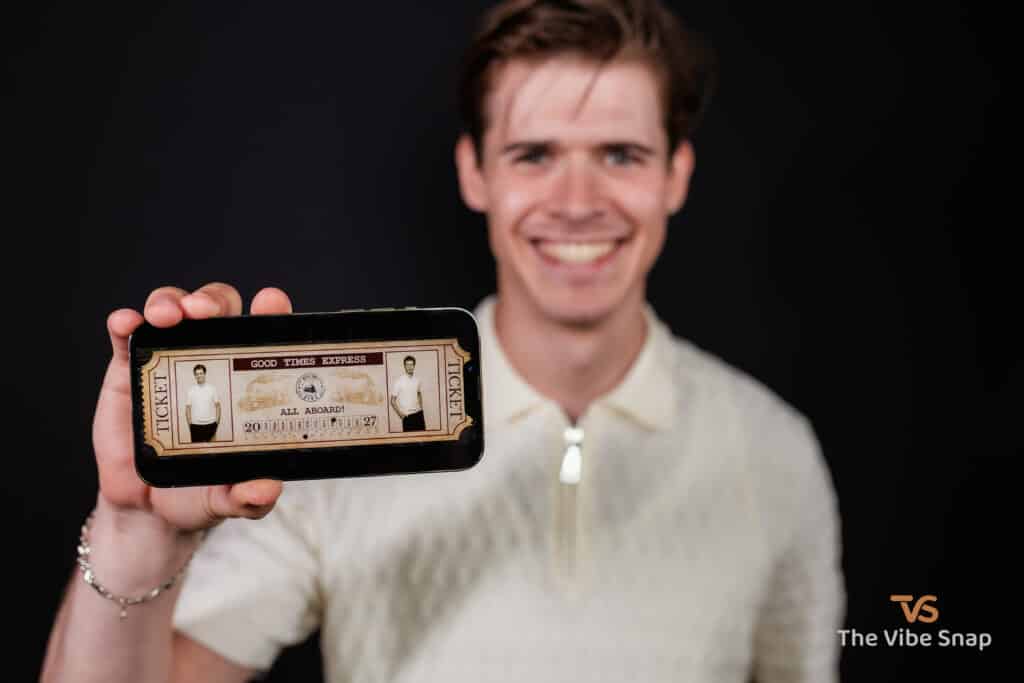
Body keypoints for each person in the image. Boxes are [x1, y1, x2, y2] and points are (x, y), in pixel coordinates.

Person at [41, 1, 845, 681]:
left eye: (621, 154)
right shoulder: (340, 436)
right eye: (534, 154)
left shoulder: (776, 454)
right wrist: (136, 536)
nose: (577, 200)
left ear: (676, 175)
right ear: (474, 172)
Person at [186, 364, 220, 443]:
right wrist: (190, 424)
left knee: (212, 449)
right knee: (197, 450)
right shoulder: (191, 390)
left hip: (211, 425)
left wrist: (216, 423)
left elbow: (218, 406)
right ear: (195, 376)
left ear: (204, 374)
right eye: (197, 374)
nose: (199, 376)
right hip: (195, 426)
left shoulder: (212, 388)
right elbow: (187, 408)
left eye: (201, 373)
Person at [390, 355, 426, 431]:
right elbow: (392, 401)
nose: (410, 367)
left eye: (411, 364)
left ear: (414, 366)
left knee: (422, 437)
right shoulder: (399, 381)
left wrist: (421, 408)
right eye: (407, 365)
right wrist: (400, 414)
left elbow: (419, 394)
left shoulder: (417, 380)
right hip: (407, 416)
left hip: (419, 414)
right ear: (404, 366)